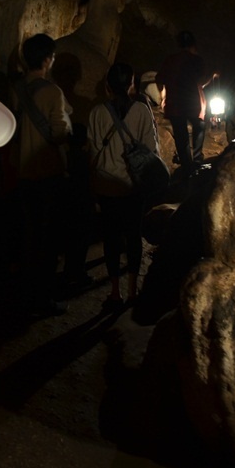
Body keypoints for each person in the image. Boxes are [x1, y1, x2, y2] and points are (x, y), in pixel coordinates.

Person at [87, 62, 158, 308]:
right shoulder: (142, 111)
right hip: (132, 185)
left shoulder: (97, 112)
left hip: (106, 186)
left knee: (111, 239)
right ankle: (132, 291)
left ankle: (115, 292)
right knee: (133, 236)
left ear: (108, 85)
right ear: (131, 84)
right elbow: (151, 150)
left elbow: (92, 152)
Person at [13, 33, 73, 316]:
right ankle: (43, 298)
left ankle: (25, 293)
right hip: (48, 173)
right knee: (48, 240)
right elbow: (60, 133)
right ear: (48, 60)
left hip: (22, 172)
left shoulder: (15, 89)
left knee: (29, 236)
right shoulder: (52, 92)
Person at [155, 30, 217, 180]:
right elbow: (201, 82)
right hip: (192, 102)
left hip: (174, 102)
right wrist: (213, 75)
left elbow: (159, 79)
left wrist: (163, 95)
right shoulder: (196, 60)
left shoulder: (170, 60)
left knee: (180, 133)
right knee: (199, 127)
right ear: (193, 45)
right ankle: (197, 159)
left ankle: (187, 165)